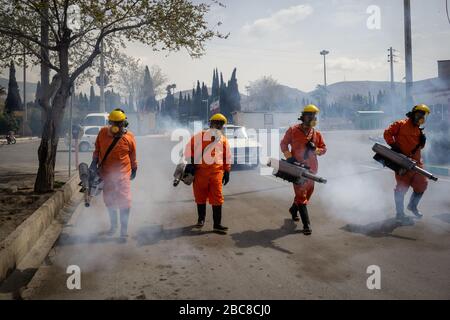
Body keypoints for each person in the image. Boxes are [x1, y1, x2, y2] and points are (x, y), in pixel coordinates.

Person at [90, 108, 137, 239]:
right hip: (106, 175)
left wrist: (134, 168)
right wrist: (94, 162)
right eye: (113, 123)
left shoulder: (129, 137)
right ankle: (113, 226)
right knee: (110, 202)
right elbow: (97, 149)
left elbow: (132, 155)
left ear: (124, 124)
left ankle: (123, 230)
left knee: (125, 202)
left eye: (119, 123)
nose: (116, 127)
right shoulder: (103, 133)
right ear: (109, 123)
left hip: (123, 175)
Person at [280, 104, 327, 235]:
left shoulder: (317, 134)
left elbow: (324, 149)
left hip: (312, 169)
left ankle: (294, 209)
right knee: (301, 194)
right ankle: (306, 225)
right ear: (303, 116)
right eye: (310, 115)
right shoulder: (293, 130)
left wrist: (316, 150)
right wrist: (288, 156)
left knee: (309, 192)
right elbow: (283, 144)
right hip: (297, 168)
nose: (313, 117)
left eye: (314, 115)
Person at [184, 113, 231, 234]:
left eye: (220, 125)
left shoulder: (224, 140)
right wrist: (190, 163)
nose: (218, 126)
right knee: (200, 196)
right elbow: (188, 149)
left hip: (216, 173)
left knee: (217, 198)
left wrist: (227, 171)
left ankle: (217, 224)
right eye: (216, 123)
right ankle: (201, 220)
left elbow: (227, 157)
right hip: (200, 173)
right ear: (210, 124)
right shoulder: (198, 136)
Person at [383, 104, 430, 224]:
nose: (421, 117)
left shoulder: (419, 131)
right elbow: (387, 133)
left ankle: (412, 206)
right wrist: (394, 146)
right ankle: (400, 213)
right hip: (402, 162)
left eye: (423, 115)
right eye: (420, 114)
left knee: (422, 185)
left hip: (417, 164)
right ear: (413, 114)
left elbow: (420, 147)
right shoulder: (400, 124)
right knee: (401, 189)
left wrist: (423, 141)